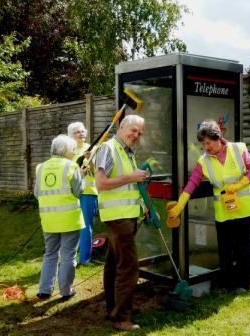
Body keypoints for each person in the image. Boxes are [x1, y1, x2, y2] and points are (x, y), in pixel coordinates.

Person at [168, 119, 250, 293]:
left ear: (217, 137)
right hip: (223, 212)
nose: (206, 147)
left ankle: (242, 285)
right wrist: (180, 205)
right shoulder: (204, 161)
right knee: (225, 250)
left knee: (243, 249)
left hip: (246, 208)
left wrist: (238, 185)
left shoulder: (238, 149)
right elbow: (192, 183)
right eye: (203, 144)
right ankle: (226, 285)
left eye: (208, 142)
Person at [95, 114, 147, 331]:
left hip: (127, 215)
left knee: (113, 264)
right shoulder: (108, 148)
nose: (135, 135)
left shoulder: (127, 152)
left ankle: (113, 308)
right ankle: (121, 317)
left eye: (139, 133)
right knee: (128, 266)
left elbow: (128, 186)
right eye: (133, 130)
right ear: (121, 126)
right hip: (118, 217)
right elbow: (101, 184)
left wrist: (141, 207)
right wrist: (132, 177)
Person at [34, 134, 85, 301]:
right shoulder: (71, 166)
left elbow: (37, 194)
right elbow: (79, 191)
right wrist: (81, 176)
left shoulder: (40, 167)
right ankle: (66, 291)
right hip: (69, 219)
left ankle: (44, 290)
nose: (73, 152)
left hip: (48, 219)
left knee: (50, 254)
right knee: (68, 255)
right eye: (72, 149)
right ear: (65, 150)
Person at [68, 122, 98, 265]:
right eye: (77, 132)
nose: (81, 134)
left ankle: (85, 258)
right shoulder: (69, 151)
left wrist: (90, 160)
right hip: (73, 193)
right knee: (73, 225)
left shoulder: (92, 148)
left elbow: (96, 171)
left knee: (86, 226)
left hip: (89, 191)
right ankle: (72, 256)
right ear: (71, 135)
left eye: (82, 131)